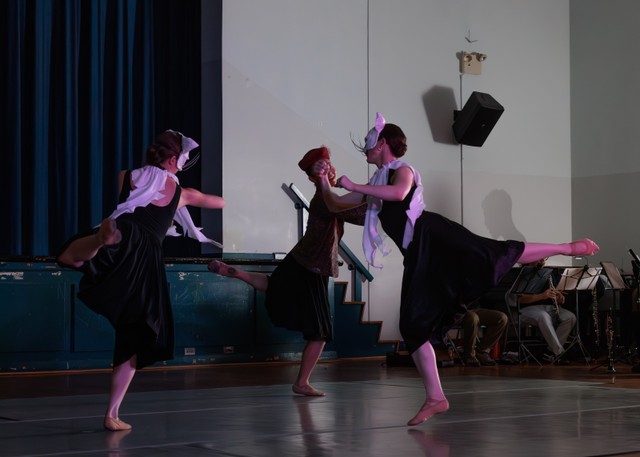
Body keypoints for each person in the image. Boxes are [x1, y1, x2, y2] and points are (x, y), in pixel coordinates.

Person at [316, 112, 600, 426]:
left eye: (368, 145)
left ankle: (566, 247)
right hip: (420, 256)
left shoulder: (402, 171)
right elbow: (335, 204)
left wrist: (353, 184)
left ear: (382, 143)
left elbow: (399, 194)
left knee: (494, 253)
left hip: (435, 237)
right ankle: (436, 397)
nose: (365, 151)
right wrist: (323, 180)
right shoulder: (375, 182)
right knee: (412, 326)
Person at [56, 130, 225, 431]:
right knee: (134, 334)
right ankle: (111, 414)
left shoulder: (128, 176)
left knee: (70, 257)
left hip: (123, 237)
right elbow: (218, 202)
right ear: (173, 159)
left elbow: (134, 199)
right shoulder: (182, 193)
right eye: (183, 159)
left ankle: (99, 239)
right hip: (146, 258)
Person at [208, 146, 366, 397]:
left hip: (298, 258)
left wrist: (370, 194)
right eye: (324, 165)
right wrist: (376, 193)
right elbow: (358, 214)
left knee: (274, 285)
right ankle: (302, 382)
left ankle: (237, 273)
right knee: (321, 333)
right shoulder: (325, 199)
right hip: (313, 266)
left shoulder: (327, 198)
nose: (330, 168)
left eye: (329, 164)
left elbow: (354, 211)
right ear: (317, 174)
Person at [510, 258, 576, 364]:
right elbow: (520, 299)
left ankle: (550, 353)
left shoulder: (548, 273)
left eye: (544, 259)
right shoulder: (523, 274)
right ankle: (559, 353)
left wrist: (559, 298)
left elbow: (554, 294)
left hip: (549, 308)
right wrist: (542, 296)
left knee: (570, 317)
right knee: (543, 316)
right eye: (539, 259)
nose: (542, 261)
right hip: (526, 309)